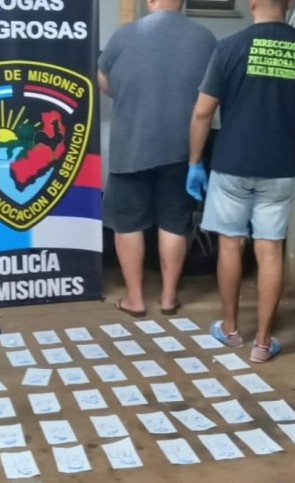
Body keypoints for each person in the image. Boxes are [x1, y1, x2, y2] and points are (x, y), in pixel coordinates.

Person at [187, 0, 295, 362]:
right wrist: (291, 139)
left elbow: (202, 112)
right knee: (269, 250)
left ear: (252, 2)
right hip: (280, 167)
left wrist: (194, 162)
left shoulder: (229, 48)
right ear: (288, 3)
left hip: (231, 163)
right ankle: (263, 344)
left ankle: (230, 331)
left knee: (230, 245)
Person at [99, 0, 216, 318]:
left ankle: (135, 299)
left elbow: (104, 81)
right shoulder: (205, 38)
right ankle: (168, 298)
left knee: (128, 223)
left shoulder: (123, 35)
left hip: (130, 146)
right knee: (175, 222)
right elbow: (214, 91)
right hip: (183, 149)